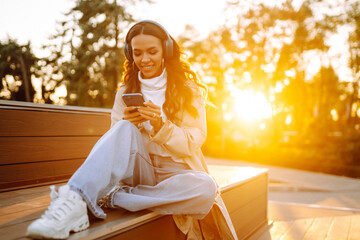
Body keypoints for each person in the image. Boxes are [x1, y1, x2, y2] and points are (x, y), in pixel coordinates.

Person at [26, 20, 237, 240]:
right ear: (130, 54)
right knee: (124, 127)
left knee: (206, 187)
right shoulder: (124, 92)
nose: (144, 59)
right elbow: (114, 144)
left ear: (165, 50)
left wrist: (161, 126)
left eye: (152, 52)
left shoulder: (188, 90)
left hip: (176, 172)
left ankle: (114, 197)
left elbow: (194, 140)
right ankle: (74, 198)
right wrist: (129, 124)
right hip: (139, 170)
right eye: (137, 53)